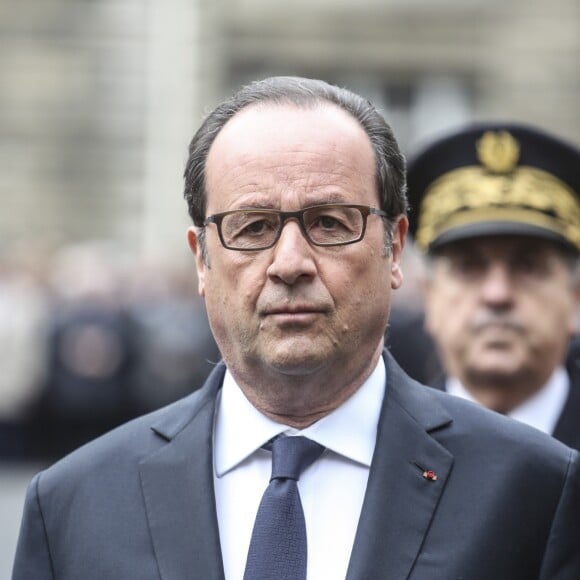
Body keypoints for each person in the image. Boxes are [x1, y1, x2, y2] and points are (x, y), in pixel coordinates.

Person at [12, 78, 580, 580]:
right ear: (201, 261)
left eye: (330, 223)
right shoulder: (74, 504)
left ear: (396, 248)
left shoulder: (537, 489)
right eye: (253, 226)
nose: (290, 262)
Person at [407, 122, 580, 451]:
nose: (497, 294)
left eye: (528, 266)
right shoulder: (385, 448)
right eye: (468, 266)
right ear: (429, 295)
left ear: (575, 297)